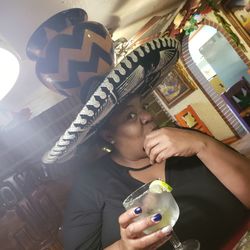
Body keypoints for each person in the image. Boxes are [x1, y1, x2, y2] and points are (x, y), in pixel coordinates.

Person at [62, 94, 250, 250]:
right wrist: (123, 247)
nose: (147, 115)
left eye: (143, 106)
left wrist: (202, 144)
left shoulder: (185, 140)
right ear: (109, 136)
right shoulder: (90, 181)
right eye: (131, 116)